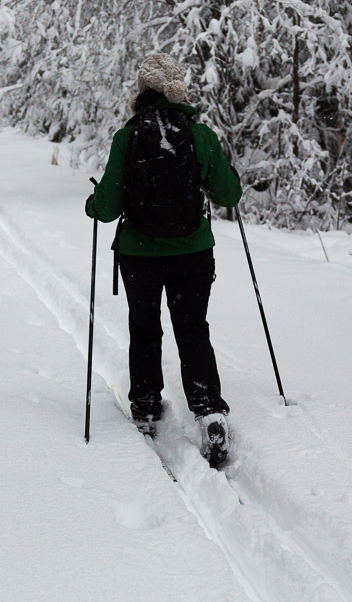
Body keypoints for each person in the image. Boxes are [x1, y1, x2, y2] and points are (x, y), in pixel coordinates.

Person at [85, 53, 242, 467]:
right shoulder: (200, 135)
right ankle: (209, 413)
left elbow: (107, 205)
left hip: (140, 255)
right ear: (179, 89)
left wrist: (92, 204)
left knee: (144, 327)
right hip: (192, 252)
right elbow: (228, 195)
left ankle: (146, 406)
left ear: (143, 90)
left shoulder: (129, 136)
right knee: (192, 330)